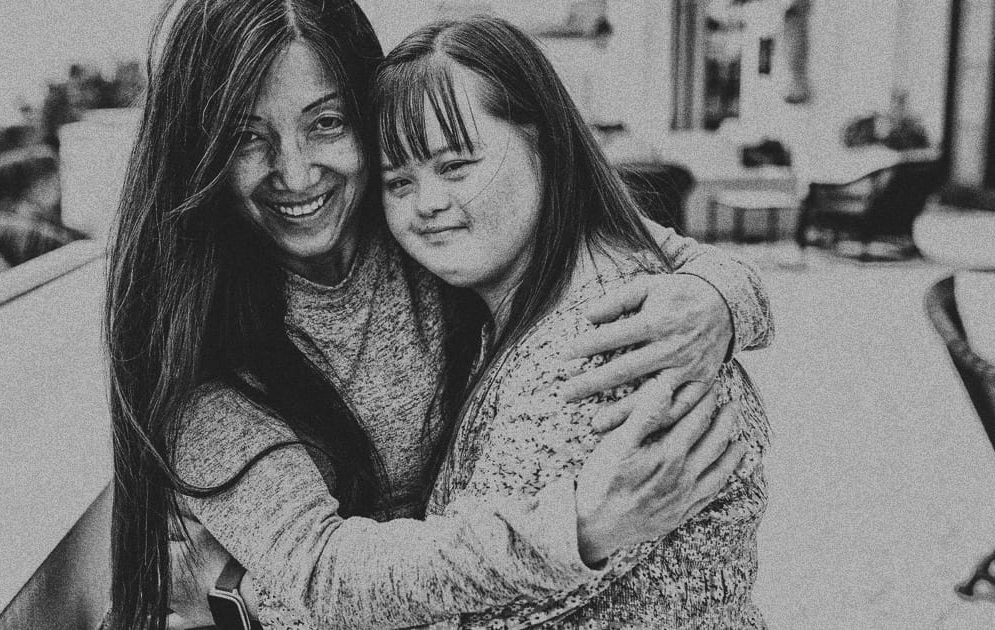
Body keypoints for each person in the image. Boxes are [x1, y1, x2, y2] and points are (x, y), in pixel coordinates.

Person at [104, 1, 773, 629]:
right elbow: (324, 571)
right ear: (198, 154)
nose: (297, 172)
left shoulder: (418, 227)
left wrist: (720, 296)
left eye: (327, 122)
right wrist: (573, 530)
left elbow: (634, 240)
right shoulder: (203, 347)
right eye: (246, 137)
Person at [376, 16, 770, 628]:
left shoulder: (605, 348)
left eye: (456, 166)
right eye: (398, 181)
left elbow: (457, 611)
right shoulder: (538, 293)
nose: (426, 203)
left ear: (545, 145)